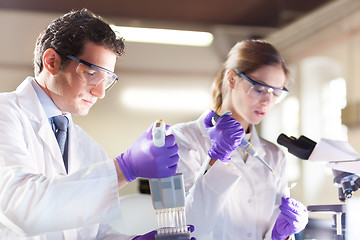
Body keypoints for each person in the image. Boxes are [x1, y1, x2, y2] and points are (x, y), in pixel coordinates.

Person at [0, 9, 193, 240]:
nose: (100, 92)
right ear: (51, 61)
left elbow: (95, 232)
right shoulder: (6, 114)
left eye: (107, 80)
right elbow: (22, 208)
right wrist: (125, 168)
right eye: (91, 73)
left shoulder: (89, 148)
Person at [170, 39, 308, 240]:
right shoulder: (182, 138)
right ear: (232, 79)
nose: (267, 101)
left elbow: (268, 226)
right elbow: (185, 227)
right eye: (260, 88)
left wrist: (280, 234)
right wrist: (218, 158)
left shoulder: (274, 155)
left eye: (276, 92)